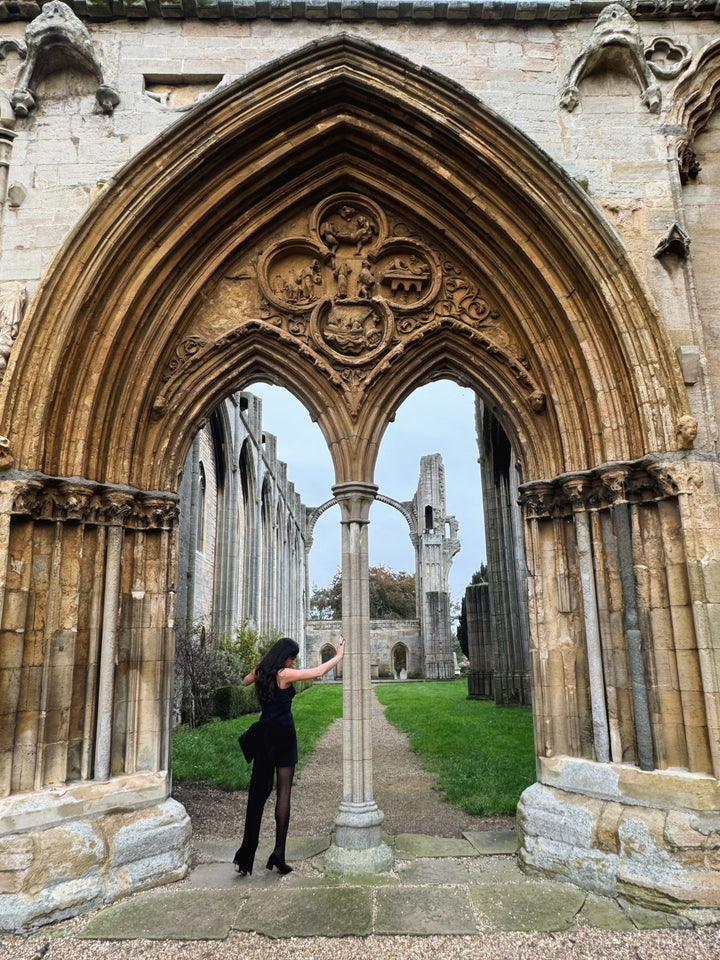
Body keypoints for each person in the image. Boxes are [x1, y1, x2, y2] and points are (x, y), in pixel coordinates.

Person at [233, 635, 345, 876]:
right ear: (285, 656)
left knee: (257, 796)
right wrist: (338, 656)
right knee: (284, 792)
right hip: (283, 736)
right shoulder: (284, 675)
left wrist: (256, 674)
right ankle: (279, 853)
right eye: (292, 658)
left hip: (264, 736)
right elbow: (317, 672)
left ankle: (245, 857)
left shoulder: (261, 671)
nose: (294, 662)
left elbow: (244, 681)